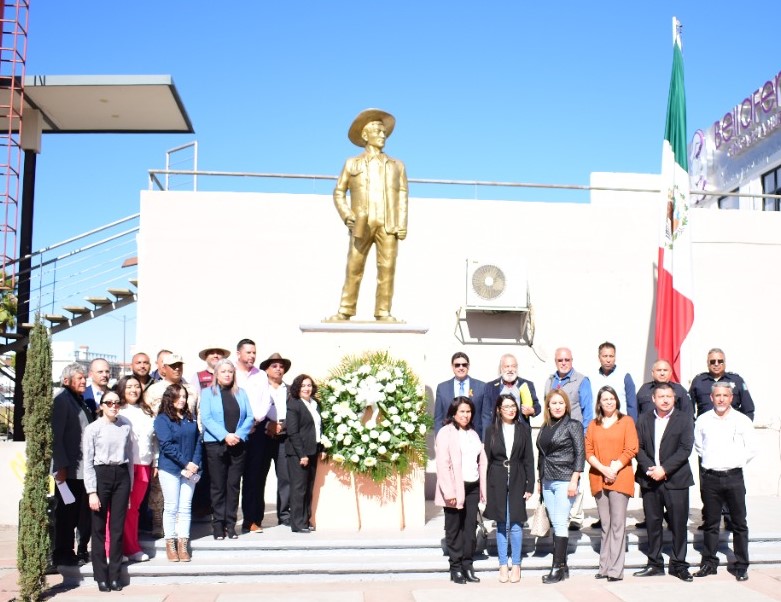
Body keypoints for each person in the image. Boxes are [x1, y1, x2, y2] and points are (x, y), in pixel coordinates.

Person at [328, 108, 408, 322]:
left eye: (384, 132)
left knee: (387, 270)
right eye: (378, 131)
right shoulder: (352, 163)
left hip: (388, 224)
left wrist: (402, 223)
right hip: (361, 223)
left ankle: (383, 311)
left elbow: (402, 195)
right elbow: (338, 192)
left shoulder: (397, 165)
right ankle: (345, 310)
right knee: (354, 267)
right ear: (365, 135)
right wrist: (347, 215)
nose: (383, 135)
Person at [693, 382, 757, 582]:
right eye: (717, 395)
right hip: (711, 478)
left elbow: (752, 448)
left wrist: (735, 462)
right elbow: (699, 446)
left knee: (739, 524)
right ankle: (709, 564)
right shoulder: (702, 420)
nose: (721, 399)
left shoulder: (742, 421)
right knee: (711, 524)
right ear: (711, 398)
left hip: (734, 477)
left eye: (725, 395)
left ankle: (741, 566)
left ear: (732, 398)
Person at [633, 383, 694, 582]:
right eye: (661, 396)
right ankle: (655, 563)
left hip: (676, 481)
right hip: (650, 480)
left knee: (678, 524)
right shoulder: (643, 419)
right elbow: (637, 448)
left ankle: (679, 564)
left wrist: (664, 469)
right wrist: (652, 469)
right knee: (653, 523)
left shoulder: (684, 419)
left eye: (669, 396)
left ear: (674, 398)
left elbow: (685, 449)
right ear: (653, 399)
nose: (665, 400)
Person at [585, 386, 638, 582]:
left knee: (617, 524)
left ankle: (616, 570)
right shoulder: (593, 424)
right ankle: (604, 567)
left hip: (620, 477)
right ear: (599, 403)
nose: (608, 402)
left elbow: (631, 448)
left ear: (617, 400)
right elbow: (588, 451)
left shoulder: (626, 422)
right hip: (599, 477)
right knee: (606, 525)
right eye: (605, 399)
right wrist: (603, 469)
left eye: (612, 398)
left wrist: (613, 468)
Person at [82, 389, 133, 592]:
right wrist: (91, 491)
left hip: (121, 476)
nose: (113, 406)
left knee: (117, 529)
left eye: (117, 402)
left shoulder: (126, 426)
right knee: (99, 528)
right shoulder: (93, 429)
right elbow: (88, 462)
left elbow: (129, 457)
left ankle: (115, 575)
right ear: (101, 405)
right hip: (101, 475)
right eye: (109, 403)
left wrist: (129, 489)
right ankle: (100, 576)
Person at [199, 359, 255, 540]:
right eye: (223, 371)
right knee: (218, 486)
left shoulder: (241, 393)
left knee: (233, 486)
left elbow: (249, 416)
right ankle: (218, 525)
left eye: (230, 371)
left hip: (238, 444)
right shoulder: (208, 393)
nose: (227, 374)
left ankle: (231, 525)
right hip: (216, 444)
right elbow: (206, 418)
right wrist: (225, 436)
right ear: (216, 374)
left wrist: (237, 435)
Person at [434, 397, 487, 585]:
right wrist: (449, 492)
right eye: (462, 411)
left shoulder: (473, 433)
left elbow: (480, 461)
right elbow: (442, 463)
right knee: (454, 529)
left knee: (469, 530)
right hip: (455, 488)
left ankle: (467, 565)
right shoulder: (445, 432)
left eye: (469, 411)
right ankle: (455, 568)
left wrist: (482, 488)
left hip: (472, 486)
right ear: (454, 413)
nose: (465, 415)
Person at [482, 393, 534, 583]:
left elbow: (529, 459)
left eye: (513, 406)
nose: (511, 409)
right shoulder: (491, 431)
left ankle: (517, 564)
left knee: (516, 523)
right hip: (496, 478)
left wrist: (530, 484)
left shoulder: (523, 429)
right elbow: (485, 460)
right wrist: (484, 487)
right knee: (502, 523)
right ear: (498, 410)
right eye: (506, 406)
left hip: (518, 477)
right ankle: (503, 564)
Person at [536, 389, 585, 584]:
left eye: (560, 403)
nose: (557, 406)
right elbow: (541, 455)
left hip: (565, 479)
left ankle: (556, 568)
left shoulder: (573, 425)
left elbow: (580, 455)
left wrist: (574, 480)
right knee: (555, 522)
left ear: (566, 405)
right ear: (548, 406)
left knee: (559, 522)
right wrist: (540, 481)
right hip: (547, 480)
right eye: (553, 403)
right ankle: (563, 568)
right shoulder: (544, 426)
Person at [544, 347, 593, 531]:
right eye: (560, 360)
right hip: (555, 436)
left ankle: (576, 516)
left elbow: (588, 410)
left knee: (575, 474)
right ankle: (557, 513)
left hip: (575, 434)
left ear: (572, 360)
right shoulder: (550, 381)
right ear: (555, 362)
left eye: (567, 360)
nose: (563, 363)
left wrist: (585, 434)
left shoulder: (581, 380)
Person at [51, 363, 95, 567]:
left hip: (82, 470)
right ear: (67, 380)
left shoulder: (78, 400)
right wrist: (60, 466)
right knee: (67, 514)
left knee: (81, 514)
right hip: (68, 470)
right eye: (80, 378)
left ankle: (78, 550)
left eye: (85, 377)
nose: (84, 381)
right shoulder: (61, 399)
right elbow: (56, 436)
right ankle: (63, 553)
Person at [154, 384, 202, 563]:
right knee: (172, 507)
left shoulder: (190, 417)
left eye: (184, 396)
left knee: (185, 507)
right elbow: (166, 446)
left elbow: (198, 441)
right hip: (171, 469)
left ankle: (183, 543)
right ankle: (171, 543)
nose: (182, 399)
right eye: (178, 396)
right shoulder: (162, 419)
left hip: (190, 469)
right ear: (170, 398)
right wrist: (186, 463)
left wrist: (195, 463)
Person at [115, 375, 156, 562]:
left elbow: (154, 440)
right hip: (125, 466)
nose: (134, 390)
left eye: (137, 386)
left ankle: (132, 548)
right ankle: (120, 548)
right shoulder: (118, 411)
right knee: (121, 508)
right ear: (122, 389)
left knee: (135, 509)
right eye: (129, 386)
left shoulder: (146, 411)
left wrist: (155, 461)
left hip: (144, 465)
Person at [251, 352, 293, 528]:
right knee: (259, 477)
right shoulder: (260, 388)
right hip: (263, 435)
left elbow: (295, 413)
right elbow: (254, 410)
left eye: (281, 366)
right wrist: (268, 425)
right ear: (266, 370)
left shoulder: (291, 390)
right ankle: (256, 518)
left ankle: (285, 515)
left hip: (284, 437)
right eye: (274, 366)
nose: (278, 369)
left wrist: (282, 426)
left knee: (285, 477)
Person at [234, 338, 267, 534]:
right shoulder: (231, 372)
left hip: (256, 431)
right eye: (248, 352)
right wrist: (242, 425)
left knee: (253, 477)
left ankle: (251, 520)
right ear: (238, 353)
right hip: (235, 432)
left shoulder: (260, 375)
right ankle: (229, 521)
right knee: (232, 478)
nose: (252, 356)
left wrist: (255, 420)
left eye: (254, 352)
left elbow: (265, 400)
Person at [285, 374, 324, 534]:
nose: (306, 388)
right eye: (303, 386)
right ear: (297, 388)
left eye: (309, 385)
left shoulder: (315, 404)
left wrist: (322, 448)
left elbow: (319, 427)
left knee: (308, 488)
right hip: (298, 453)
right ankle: (297, 523)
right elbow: (293, 432)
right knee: (298, 488)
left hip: (313, 450)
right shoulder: (294, 404)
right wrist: (302, 454)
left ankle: (306, 520)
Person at [689, 348, 755, 420]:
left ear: (725, 362)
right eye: (713, 361)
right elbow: (688, 409)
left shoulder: (737, 380)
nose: (716, 364)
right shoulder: (698, 381)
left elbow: (748, 409)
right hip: (706, 427)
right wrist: (693, 427)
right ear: (708, 363)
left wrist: (744, 427)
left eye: (720, 361)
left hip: (731, 427)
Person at [482, 353, 540, 434]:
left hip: (521, 433)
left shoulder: (527, 384)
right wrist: (485, 440)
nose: (510, 369)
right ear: (501, 368)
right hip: (498, 433)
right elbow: (486, 415)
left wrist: (532, 411)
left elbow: (537, 405)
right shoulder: (490, 386)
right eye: (507, 366)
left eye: (513, 366)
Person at [433, 352, 486, 435]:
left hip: (474, 436)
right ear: (452, 367)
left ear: (468, 366)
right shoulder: (442, 388)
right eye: (457, 365)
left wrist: (484, 441)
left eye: (464, 365)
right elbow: (438, 418)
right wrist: (438, 439)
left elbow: (485, 417)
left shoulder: (481, 386)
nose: (461, 368)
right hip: (449, 437)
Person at [591, 342, 638, 421]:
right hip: (598, 423)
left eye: (611, 356)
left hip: (620, 423)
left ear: (615, 357)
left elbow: (632, 405)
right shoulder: (591, 377)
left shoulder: (625, 376)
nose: (608, 360)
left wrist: (632, 426)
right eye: (605, 356)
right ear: (599, 358)